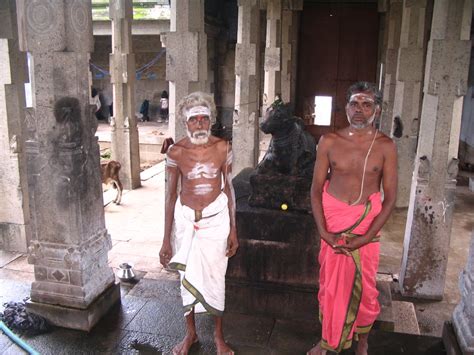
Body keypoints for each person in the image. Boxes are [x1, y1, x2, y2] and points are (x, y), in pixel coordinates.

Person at [308, 82, 397, 355]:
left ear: (377, 110)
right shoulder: (329, 142)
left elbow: (391, 197)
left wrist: (366, 237)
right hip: (333, 223)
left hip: (365, 226)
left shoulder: (385, 146)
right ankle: (326, 341)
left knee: (366, 289)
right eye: (354, 104)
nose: (360, 110)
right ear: (346, 108)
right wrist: (324, 232)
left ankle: (362, 341)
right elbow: (315, 189)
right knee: (330, 287)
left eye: (367, 104)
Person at [159, 91, 238, 355]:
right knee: (185, 278)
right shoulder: (175, 152)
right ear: (186, 122)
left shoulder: (222, 148)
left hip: (216, 223)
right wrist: (166, 239)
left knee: (217, 278)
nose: (200, 124)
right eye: (195, 120)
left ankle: (218, 337)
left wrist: (234, 231)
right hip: (186, 221)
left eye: (205, 119)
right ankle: (190, 334)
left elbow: (229, 190)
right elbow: (170, 196)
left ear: (211, 121)